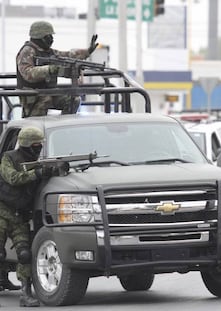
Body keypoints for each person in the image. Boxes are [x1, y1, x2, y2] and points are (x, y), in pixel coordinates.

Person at [0, 127, 57, 307]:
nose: (38, 148)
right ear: (25, 144)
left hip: (20, 216)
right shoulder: (9, 158)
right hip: (2, 210)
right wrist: (36, 173)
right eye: (35, 145)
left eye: (40, 145)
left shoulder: (39, 163)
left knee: (25, 254)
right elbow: (13, 178)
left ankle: (26, 294)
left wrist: (52, 171)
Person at [16, 20, 99, 117]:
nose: (51, 39)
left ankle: (63, 127)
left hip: (49, 92)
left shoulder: (48, 52)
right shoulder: (27, 51)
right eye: (48, 36)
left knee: (73, 100)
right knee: (37, 125)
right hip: (34, 96)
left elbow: (67, 56)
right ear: (40, 37)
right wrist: (49, 69)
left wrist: (87, 51)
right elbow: (28, 73)